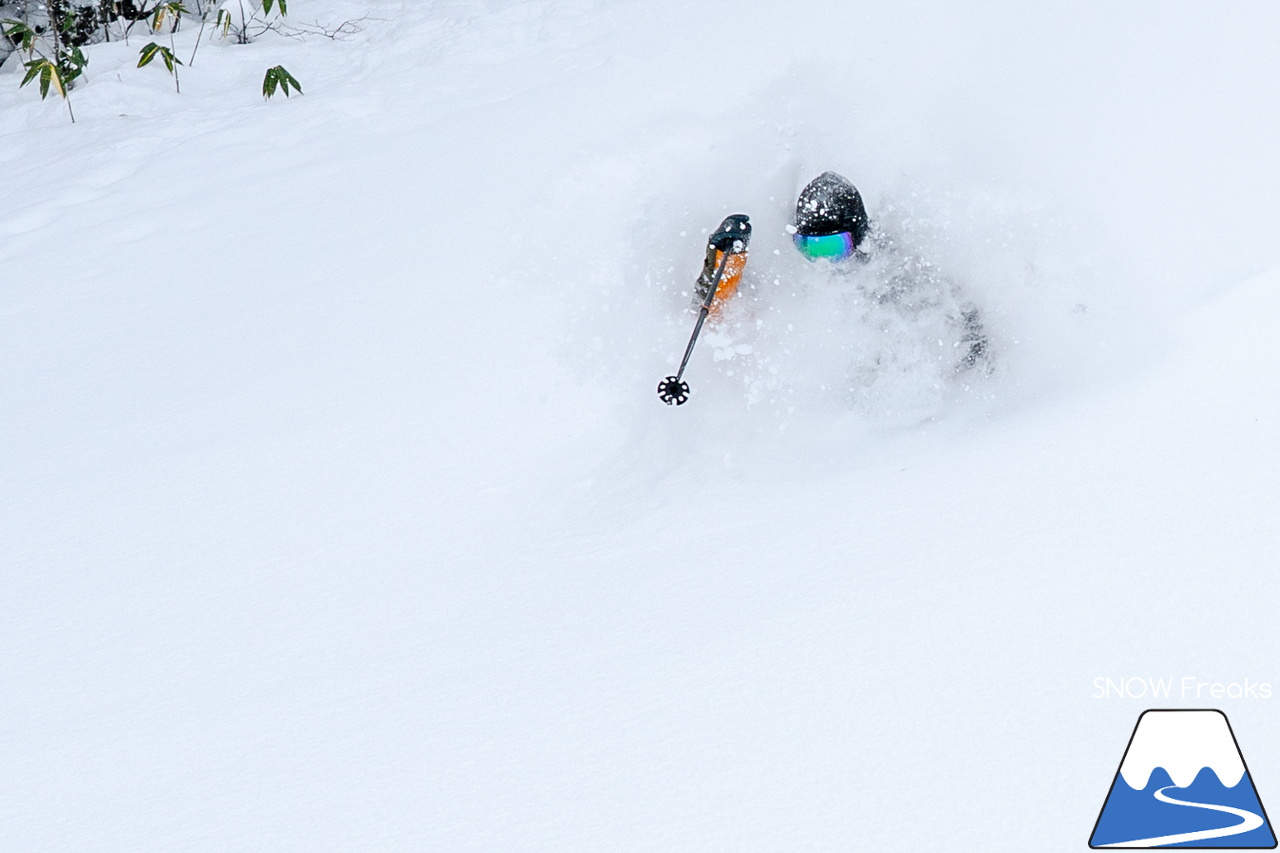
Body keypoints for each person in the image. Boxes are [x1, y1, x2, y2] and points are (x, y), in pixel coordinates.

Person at [790, 171, 989, 371]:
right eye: (809, 247)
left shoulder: (901, 274)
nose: (823, 262)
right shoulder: (803, 281)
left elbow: (967, 322)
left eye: (832, 248)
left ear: (859, 237)